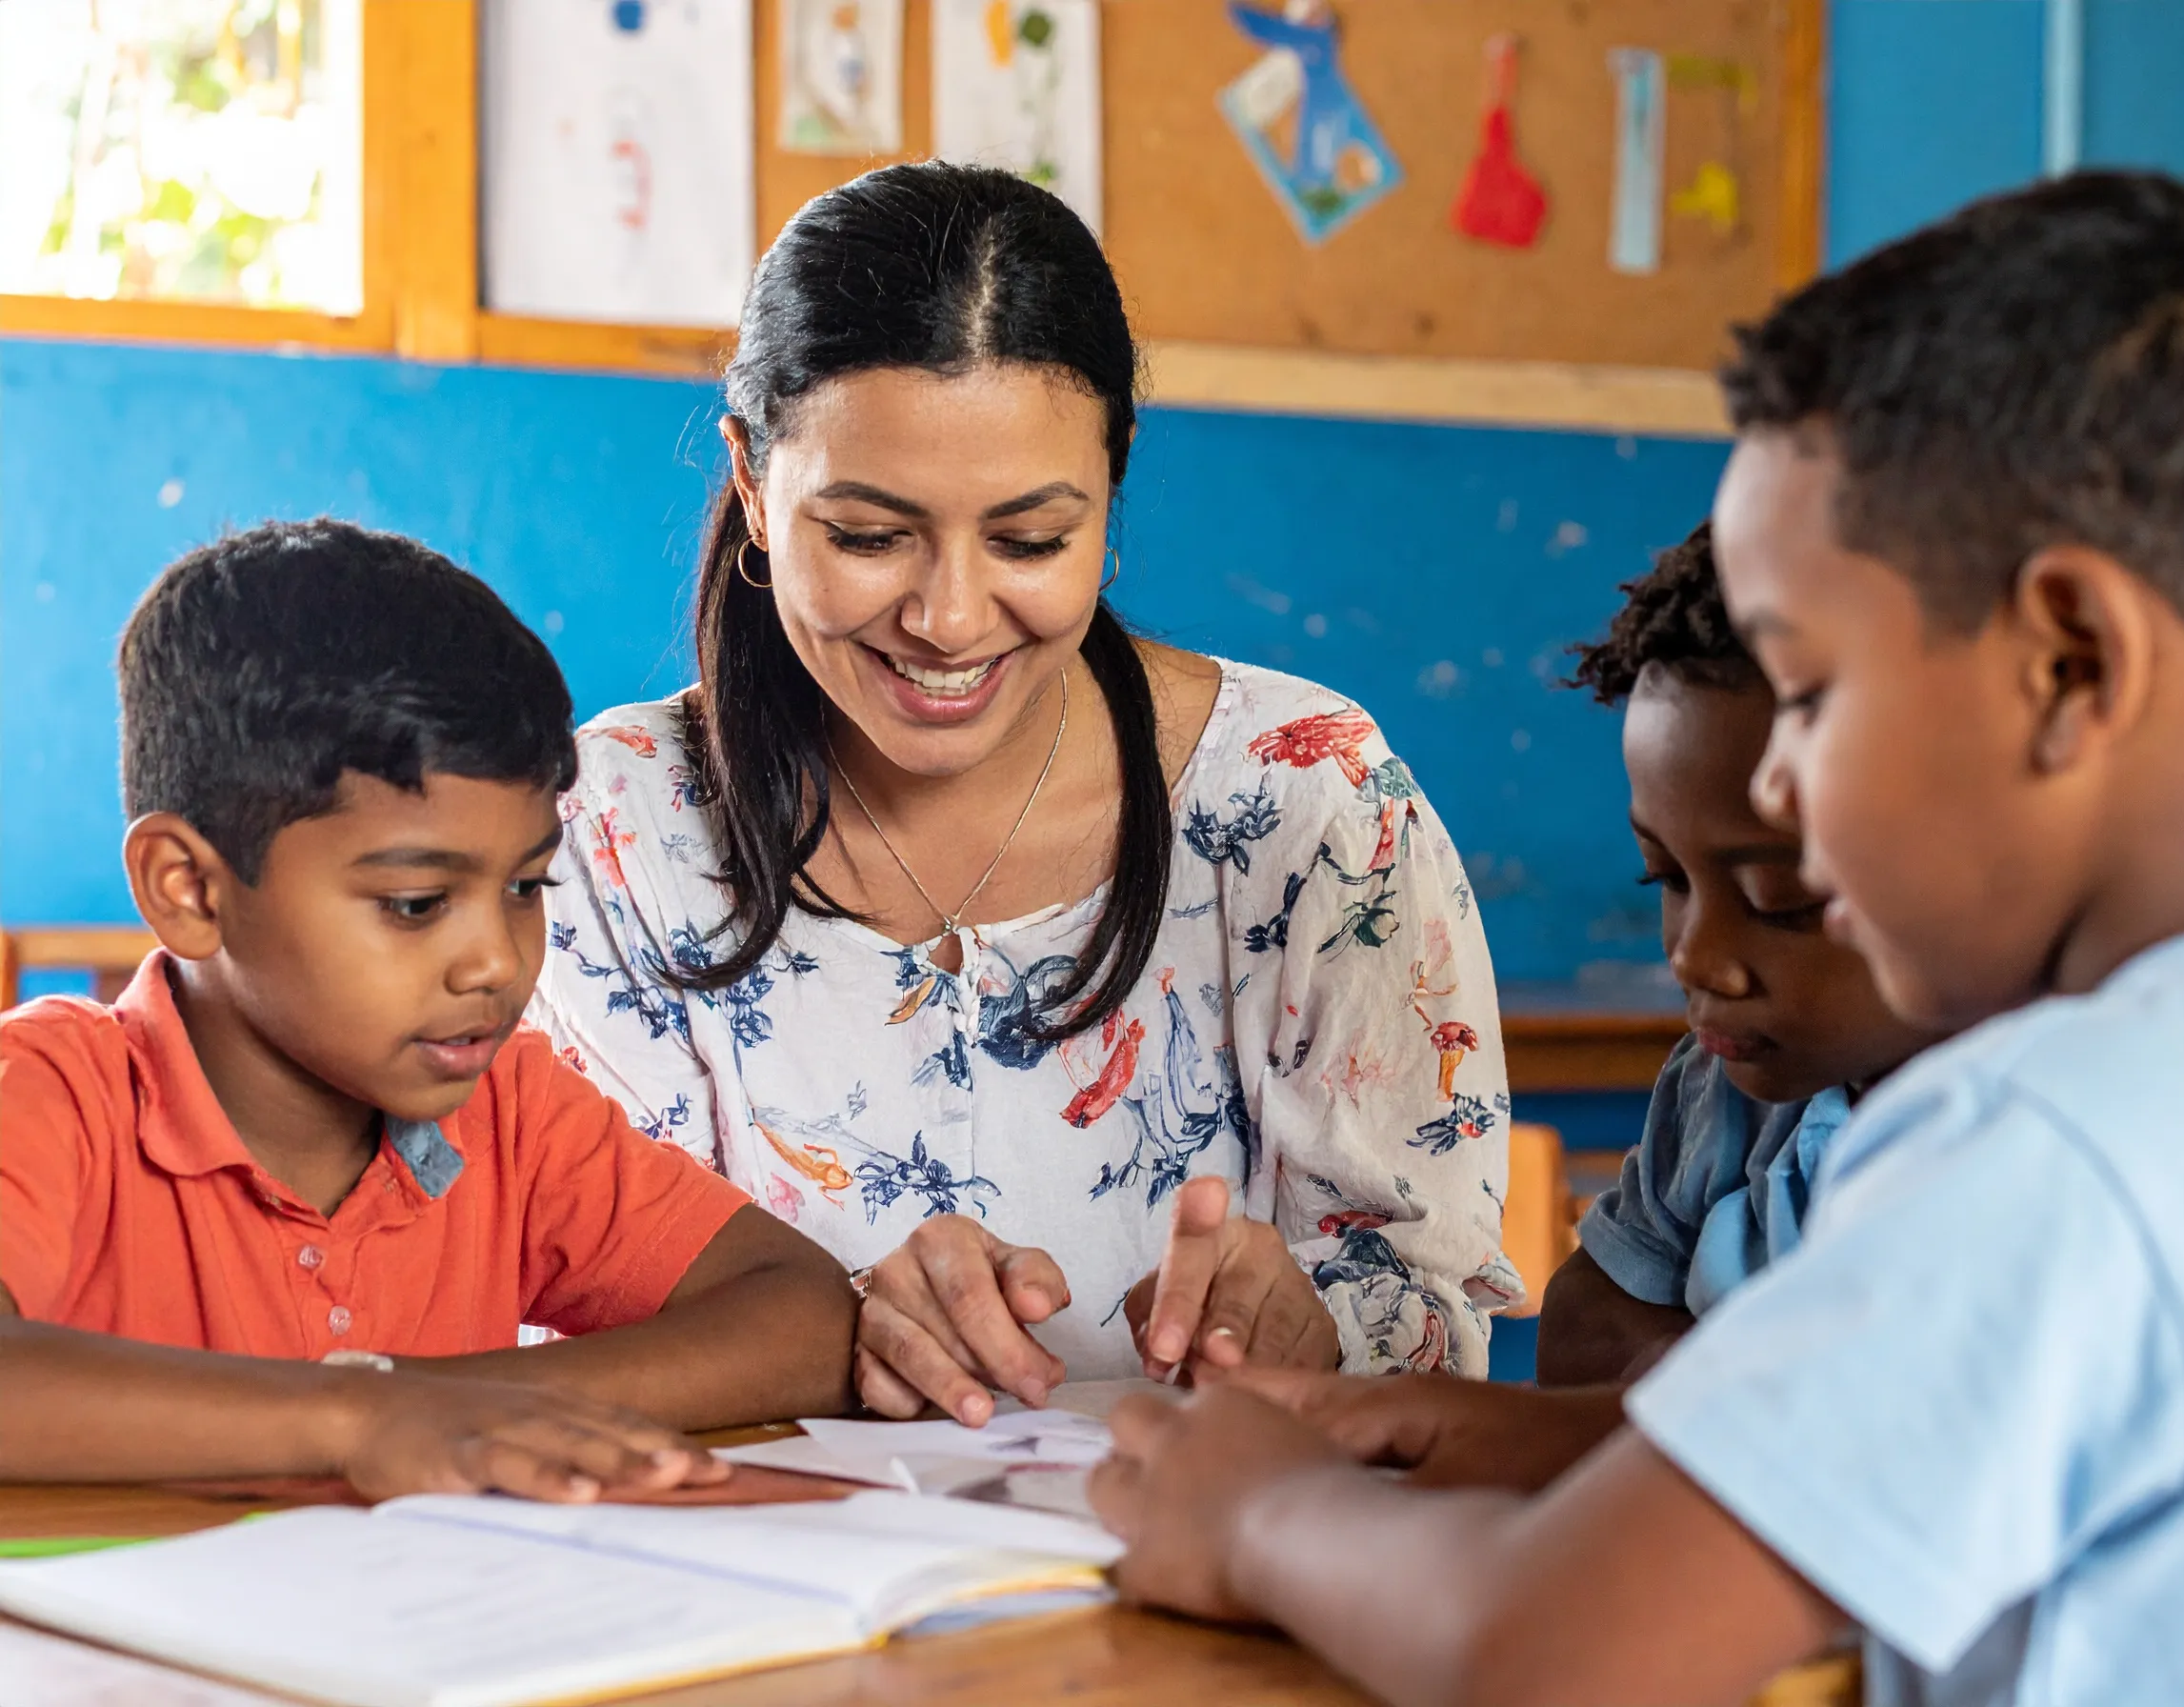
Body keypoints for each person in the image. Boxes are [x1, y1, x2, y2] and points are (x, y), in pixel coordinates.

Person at [1092, 170, 2184, 1707]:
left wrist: (1261, 1517)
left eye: (1807, 694)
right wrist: (1529, 1435)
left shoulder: (2044, 1134)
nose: (1786, 780)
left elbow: (1539, 1651)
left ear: (2068, 661)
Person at [530, 160, 1519, 1426]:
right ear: (754, 480)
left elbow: (1439, 1313)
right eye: (869, 535)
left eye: (1031, 541)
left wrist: (1320, 1326)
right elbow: (564, 1311)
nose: (947, 619)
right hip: (755, 1598)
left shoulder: (1309, 802)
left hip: (1197, 1585)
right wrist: (831, 1334)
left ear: (1114, 487)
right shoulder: (612, 832)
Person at [0, 520, 856, 1501]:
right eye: (415, 904)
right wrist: (357, 1418)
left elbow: (802, 1313)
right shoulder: (54, 1093)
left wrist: (436, 1400)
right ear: (191, 890)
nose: (496, 961)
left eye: (528, 886)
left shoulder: (507, 1114)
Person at [1216, 522, 1940, 1491]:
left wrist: (1675, 1401)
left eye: (1780, 901)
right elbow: (1589, 1329)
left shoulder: (2030, 1135)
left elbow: (1865, 1459)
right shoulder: (1724, 1087)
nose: (1699, 956)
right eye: (1665, 879)